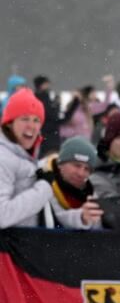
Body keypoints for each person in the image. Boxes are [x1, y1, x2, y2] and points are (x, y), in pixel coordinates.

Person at [1, 88, 101, 230]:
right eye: (24, 119)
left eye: (36, 120)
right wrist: (43, 188)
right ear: (9, 123)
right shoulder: (3, 158)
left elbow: (53, 214)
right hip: (8, 250)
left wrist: (81, 218)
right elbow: (2, 216)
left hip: (24, 248)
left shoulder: (29, 160)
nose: (31, 126)